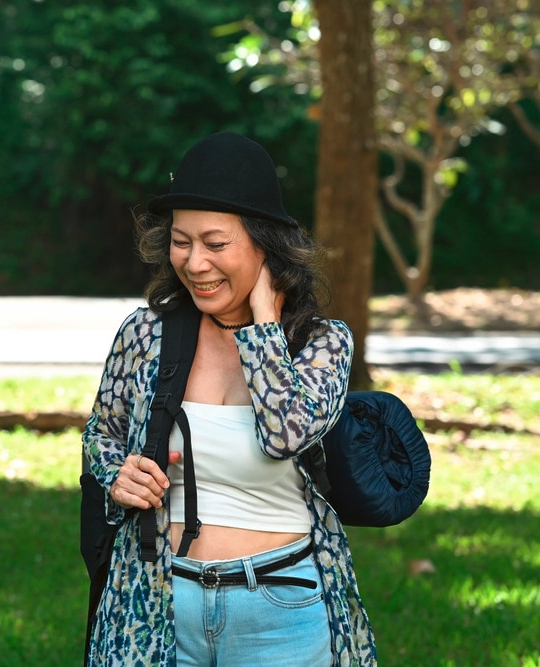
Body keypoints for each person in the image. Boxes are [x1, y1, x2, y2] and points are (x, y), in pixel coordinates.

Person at [82, 131, 377, 666]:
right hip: (157, 600)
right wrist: (117, 473)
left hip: (281, 609)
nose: (194, 263)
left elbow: (286, 434)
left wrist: (263, 329)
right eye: (181, 241)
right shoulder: (146, 333)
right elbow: (100, 432)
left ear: (267, 247)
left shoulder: (321, 342)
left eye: (215, 244)